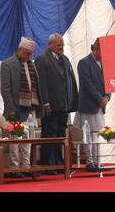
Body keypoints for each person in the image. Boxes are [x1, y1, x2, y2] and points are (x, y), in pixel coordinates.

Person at [35, 33, 78, 174]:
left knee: (60, 133)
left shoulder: (64, 59)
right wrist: (45, 103)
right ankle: (47, 164)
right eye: (59, 45)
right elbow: (42, 84)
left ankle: (59, 163)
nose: (61, 47)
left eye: (62, 44)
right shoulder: (42, 59)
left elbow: (69, 80)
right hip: (50, 105)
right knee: (49, 133)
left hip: (63, 104)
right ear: (50, 45)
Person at [0, 37, 43, 178]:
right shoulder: (7, 64)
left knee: (28, 139)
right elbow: (5, 89)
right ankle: (14, 168)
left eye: (30, 54)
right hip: (15, 110)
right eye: (26, 53)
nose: (29, 56)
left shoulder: (31, 64)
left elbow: (36, 86)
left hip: (30, 109)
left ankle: (26, 166)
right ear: (19, 50)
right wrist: (11, 108)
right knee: (15, 140)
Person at [73, 38, 110, 171]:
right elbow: (87, 84)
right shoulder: (84, 62)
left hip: (100, 105)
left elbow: (109, 81)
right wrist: (99, 98)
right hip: (89, 104)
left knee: (97, 133)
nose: (103, 54)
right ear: (95, 49)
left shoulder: (104, 62)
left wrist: (107, 97)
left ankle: (97, 161)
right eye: (101, 51)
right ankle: (89, 162)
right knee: (87, 134)